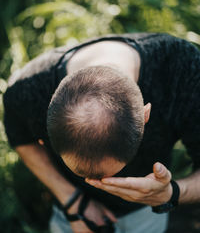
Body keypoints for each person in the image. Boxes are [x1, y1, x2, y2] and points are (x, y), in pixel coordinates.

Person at [3, 32, 200, 233]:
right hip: (72, 214)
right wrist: (72, 201)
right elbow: (22, 140)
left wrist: (170, 194)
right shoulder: (26, 91)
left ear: (145, 115)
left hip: (147, 212)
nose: (101, 185)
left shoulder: (182, 71)